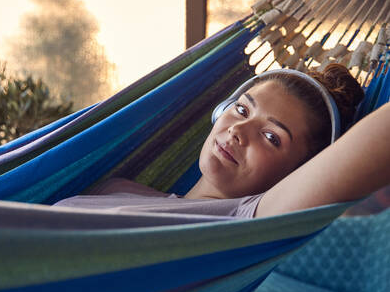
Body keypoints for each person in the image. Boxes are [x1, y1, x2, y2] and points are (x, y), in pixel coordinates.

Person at [53, 64, 390, 219]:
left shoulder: (237, 224)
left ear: (299, 175)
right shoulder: (117, 186)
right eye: (242, 109)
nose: (238, 131)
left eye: (272, 137)